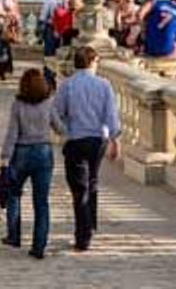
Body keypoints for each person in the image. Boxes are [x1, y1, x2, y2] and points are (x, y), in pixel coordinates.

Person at [53, 46, 121, 252]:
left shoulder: (68, 85)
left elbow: (56, 113)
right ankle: (90, 223)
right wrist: (115, 140)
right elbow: (111, 117)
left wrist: (64, 131)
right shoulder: (104, 84)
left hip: (76, 139)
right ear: (92, 62)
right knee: (91, 181)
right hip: (98, 140)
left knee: (79, 188)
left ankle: (83, 235)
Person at [0, 68, 64, 259]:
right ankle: (39, 245)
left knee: (13, 194)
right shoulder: (48, 103)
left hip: (21, 152)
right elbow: (59, 127)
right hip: (43, 152)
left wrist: (4, 158)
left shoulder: (18, 104)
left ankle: (14, 234)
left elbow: (12, 133)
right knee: (41, 202)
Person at [39, 0, 67, 89]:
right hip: (51, 29)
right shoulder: (49, 1)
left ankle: (55, 79)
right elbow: (42, 17)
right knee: (49, 55)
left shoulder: (66, 1)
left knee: (59, 55)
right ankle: (48, 79)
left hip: (63, 30)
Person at [0, 0, 21, 77]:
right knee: (6, 46)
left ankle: (6, 67)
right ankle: (8, 67)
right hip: (11, 22)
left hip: (8, 22)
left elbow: (11, 10)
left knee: (4, 46)